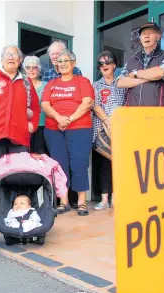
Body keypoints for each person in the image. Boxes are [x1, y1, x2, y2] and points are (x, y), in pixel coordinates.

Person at [0, 44, 40, 222]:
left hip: (19, 137)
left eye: (15, 55)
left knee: (18, 174)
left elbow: (35, 107)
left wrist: (32, 124)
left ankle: (17, 208)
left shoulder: (26, 82)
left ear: (20, 60)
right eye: (7, 55)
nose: (11, 57)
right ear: (2, 59)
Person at [41, 50, 94, 216]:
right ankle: (63, 201)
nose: (62, 63)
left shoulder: (82, 81)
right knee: (60, 165)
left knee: (79, 163)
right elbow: (45, 105)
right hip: (54, 129)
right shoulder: (51, 83)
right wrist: (59, 118)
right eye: (60, 61)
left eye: (66, 60)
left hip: (79, 128)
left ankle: (81, 202)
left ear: (73, 63)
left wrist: (69, 119)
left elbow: (88, 102)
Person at [92, 51, 126, 211]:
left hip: (121, 128)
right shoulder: (96, 85)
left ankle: (116, 197)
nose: (104, 65)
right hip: (102, 129)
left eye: (107, 62)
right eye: (101, 63)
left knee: (120, 164)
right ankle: (104, 199)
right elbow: (95, 105)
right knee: (105, 164)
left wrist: (117, 122)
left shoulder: (122, 83)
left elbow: (128, 103)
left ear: (114, 65)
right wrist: (107, 121)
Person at [116, 22, 164, 106]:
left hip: (158, 114)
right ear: (140, 38)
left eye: (150, 33)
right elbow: (120, 82)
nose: (146, 36)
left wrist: (135, 73)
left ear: (158, 36)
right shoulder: (132, 61)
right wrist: (149, 77)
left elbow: (160, 73)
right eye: (143, 34)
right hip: (134, 115)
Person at [23, 56, 48, 154]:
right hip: (24, 127)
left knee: (40, 155)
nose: (31, 70)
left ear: (39, 69)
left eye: (34, 67)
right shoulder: (20, 84)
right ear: (24, 69)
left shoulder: (46, 85)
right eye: (28, 67)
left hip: (42, 127)